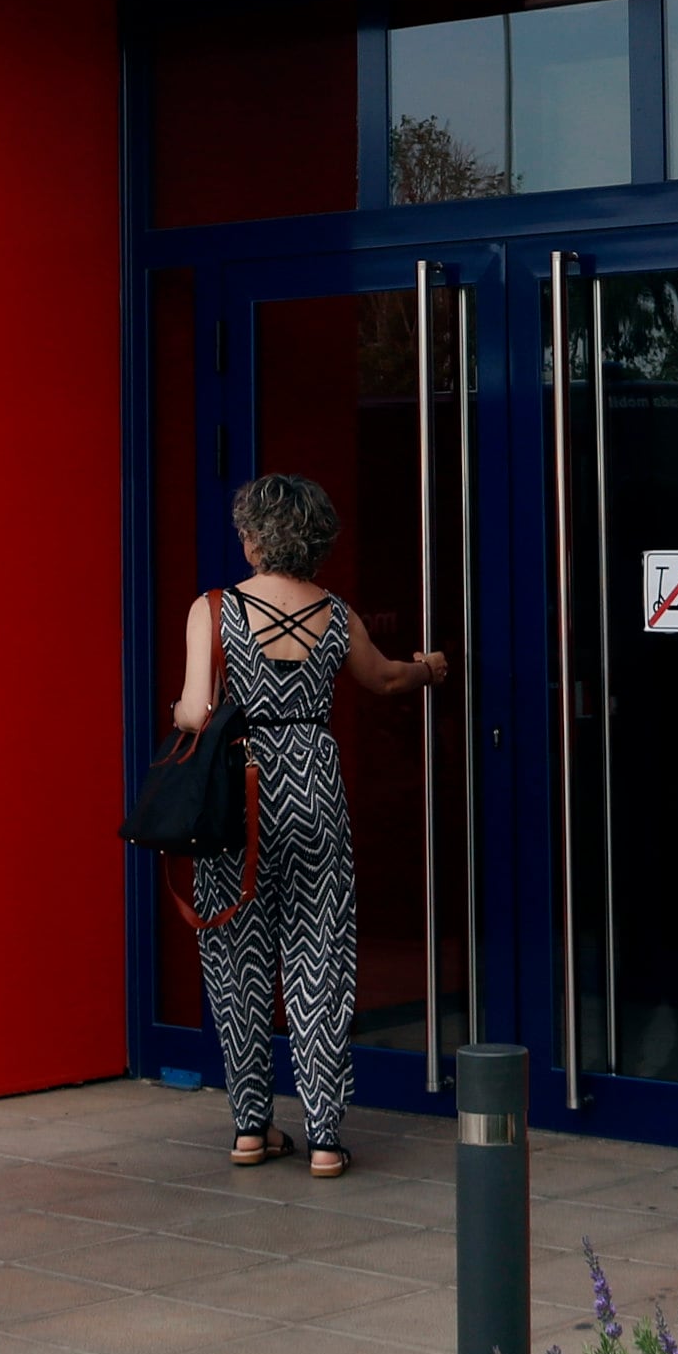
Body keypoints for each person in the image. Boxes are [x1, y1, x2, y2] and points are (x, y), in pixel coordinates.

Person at [169, 472, 448, 1178]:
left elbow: (197, 714)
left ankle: (250, 1129)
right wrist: (429, 670)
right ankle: (325, 1135)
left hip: (240, 791)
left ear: (257, 535)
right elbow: (384, 679)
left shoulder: (213, 608)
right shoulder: (336, 612)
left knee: (238, 956)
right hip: (315, 785)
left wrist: (184, 712)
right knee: (320, 955)